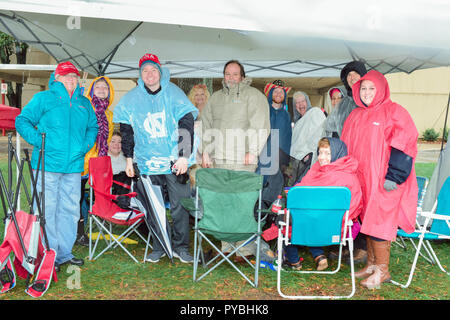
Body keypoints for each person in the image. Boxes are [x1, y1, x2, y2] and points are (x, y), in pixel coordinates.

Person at [113, 53, 198, 264]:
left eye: (153, 70)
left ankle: (181, 247)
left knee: (180, 205)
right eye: (145, 71)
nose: (149, 74)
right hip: (146, 162)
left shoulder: (174, 94)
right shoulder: (131, 99)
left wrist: (183, 156)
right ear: (140, 74)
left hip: (173, 161)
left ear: (159, 72)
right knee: (153, 206)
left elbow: (186, 124)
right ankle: (159, 245)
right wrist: (129, 159)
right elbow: (127, 131)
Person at [15, 61, 98, 271]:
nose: (71, 80)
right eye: (67, 76)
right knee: (46, 209)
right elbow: (22, 120)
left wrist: (85, 146)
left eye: (74, 76)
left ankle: (63, 254)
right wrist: (40, 141)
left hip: (73, 166)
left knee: (69, 210)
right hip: (46, 165)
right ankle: (47, 254)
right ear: (57, 78)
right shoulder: (44, 98)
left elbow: (93, 127)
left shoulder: (84, 103)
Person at [341, 70, 419, 289]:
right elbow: (347, 147)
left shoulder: (394, 112)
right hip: (361, 179)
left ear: (381, 89)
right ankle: (371, 264)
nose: (367, 93)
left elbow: (405, 144)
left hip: (385, 181)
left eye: (371, 88)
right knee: (366, 221)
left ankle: (382, 271)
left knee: (379, 222)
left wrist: (394, 175)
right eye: (363, 89)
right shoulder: (355, 115)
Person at [200, 59, 270, 261]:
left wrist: (254, 150)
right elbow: (206, 125)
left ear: (242, 76)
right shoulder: (215, 98)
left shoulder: (253, 96)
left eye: (235, 74)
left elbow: (261, 126)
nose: (231, 78)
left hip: (243, 159)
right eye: (227, 74)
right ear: (223, 76)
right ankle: (226, 247)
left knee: (242, 204)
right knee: (222, 203)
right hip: (219, 159)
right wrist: (205, 151)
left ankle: (244, 250)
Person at [282, 137, 363, 271]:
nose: (321, 157)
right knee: (310, 221)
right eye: (320, 152)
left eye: (327, 153)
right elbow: (355, 207)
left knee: (289, 220)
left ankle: (294, 261)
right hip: (334, 227)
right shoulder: (349, 176)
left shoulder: (329, 174)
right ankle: (319, 256)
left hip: (329, 225)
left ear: (337, 154)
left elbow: (299, 194)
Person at [76, 75, 115, 246]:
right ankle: (78, 233)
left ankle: (99, 228)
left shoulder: (110, 115)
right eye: (97, 87)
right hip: (82, 161)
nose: (101, 90)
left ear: (109, 92)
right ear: (92, 90)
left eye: (104, 87)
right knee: (77, 198)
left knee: (99, 197)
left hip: (99, 163)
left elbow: (108, 140)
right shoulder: (84, 108)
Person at [257, 80, 292, 206]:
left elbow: (288, 138)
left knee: (274, 190)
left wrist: (285, 161)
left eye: (281, 92)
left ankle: (270, 218)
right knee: (258, 188)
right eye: (275, 91)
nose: (278, 94)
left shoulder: (286, 115)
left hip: (279, 160)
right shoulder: (263, 112)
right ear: (270, 94)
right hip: (262, 158)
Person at [285, 91, 326, 186]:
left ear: (307, 102)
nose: (300, 104)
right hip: (296, 162)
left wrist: (310, 154)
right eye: (297, 103)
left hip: (308, 161)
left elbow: (321, 133)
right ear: (295, 106)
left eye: (302, 101)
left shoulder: (315, 112)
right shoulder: (298, 122)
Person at [323, 61, 367, 138]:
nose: (352, 77)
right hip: (346, 147)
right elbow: (328, 126)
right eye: (349, 75)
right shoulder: (344, 103)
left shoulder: (370, 99)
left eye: (355, 73)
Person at [188, 84, 210, 164]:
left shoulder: (211, 109)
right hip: (195, 146)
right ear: (193, 97)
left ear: (206, 96)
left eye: (202, 94)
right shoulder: (190, 111)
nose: (199, 97)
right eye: (196, 94)